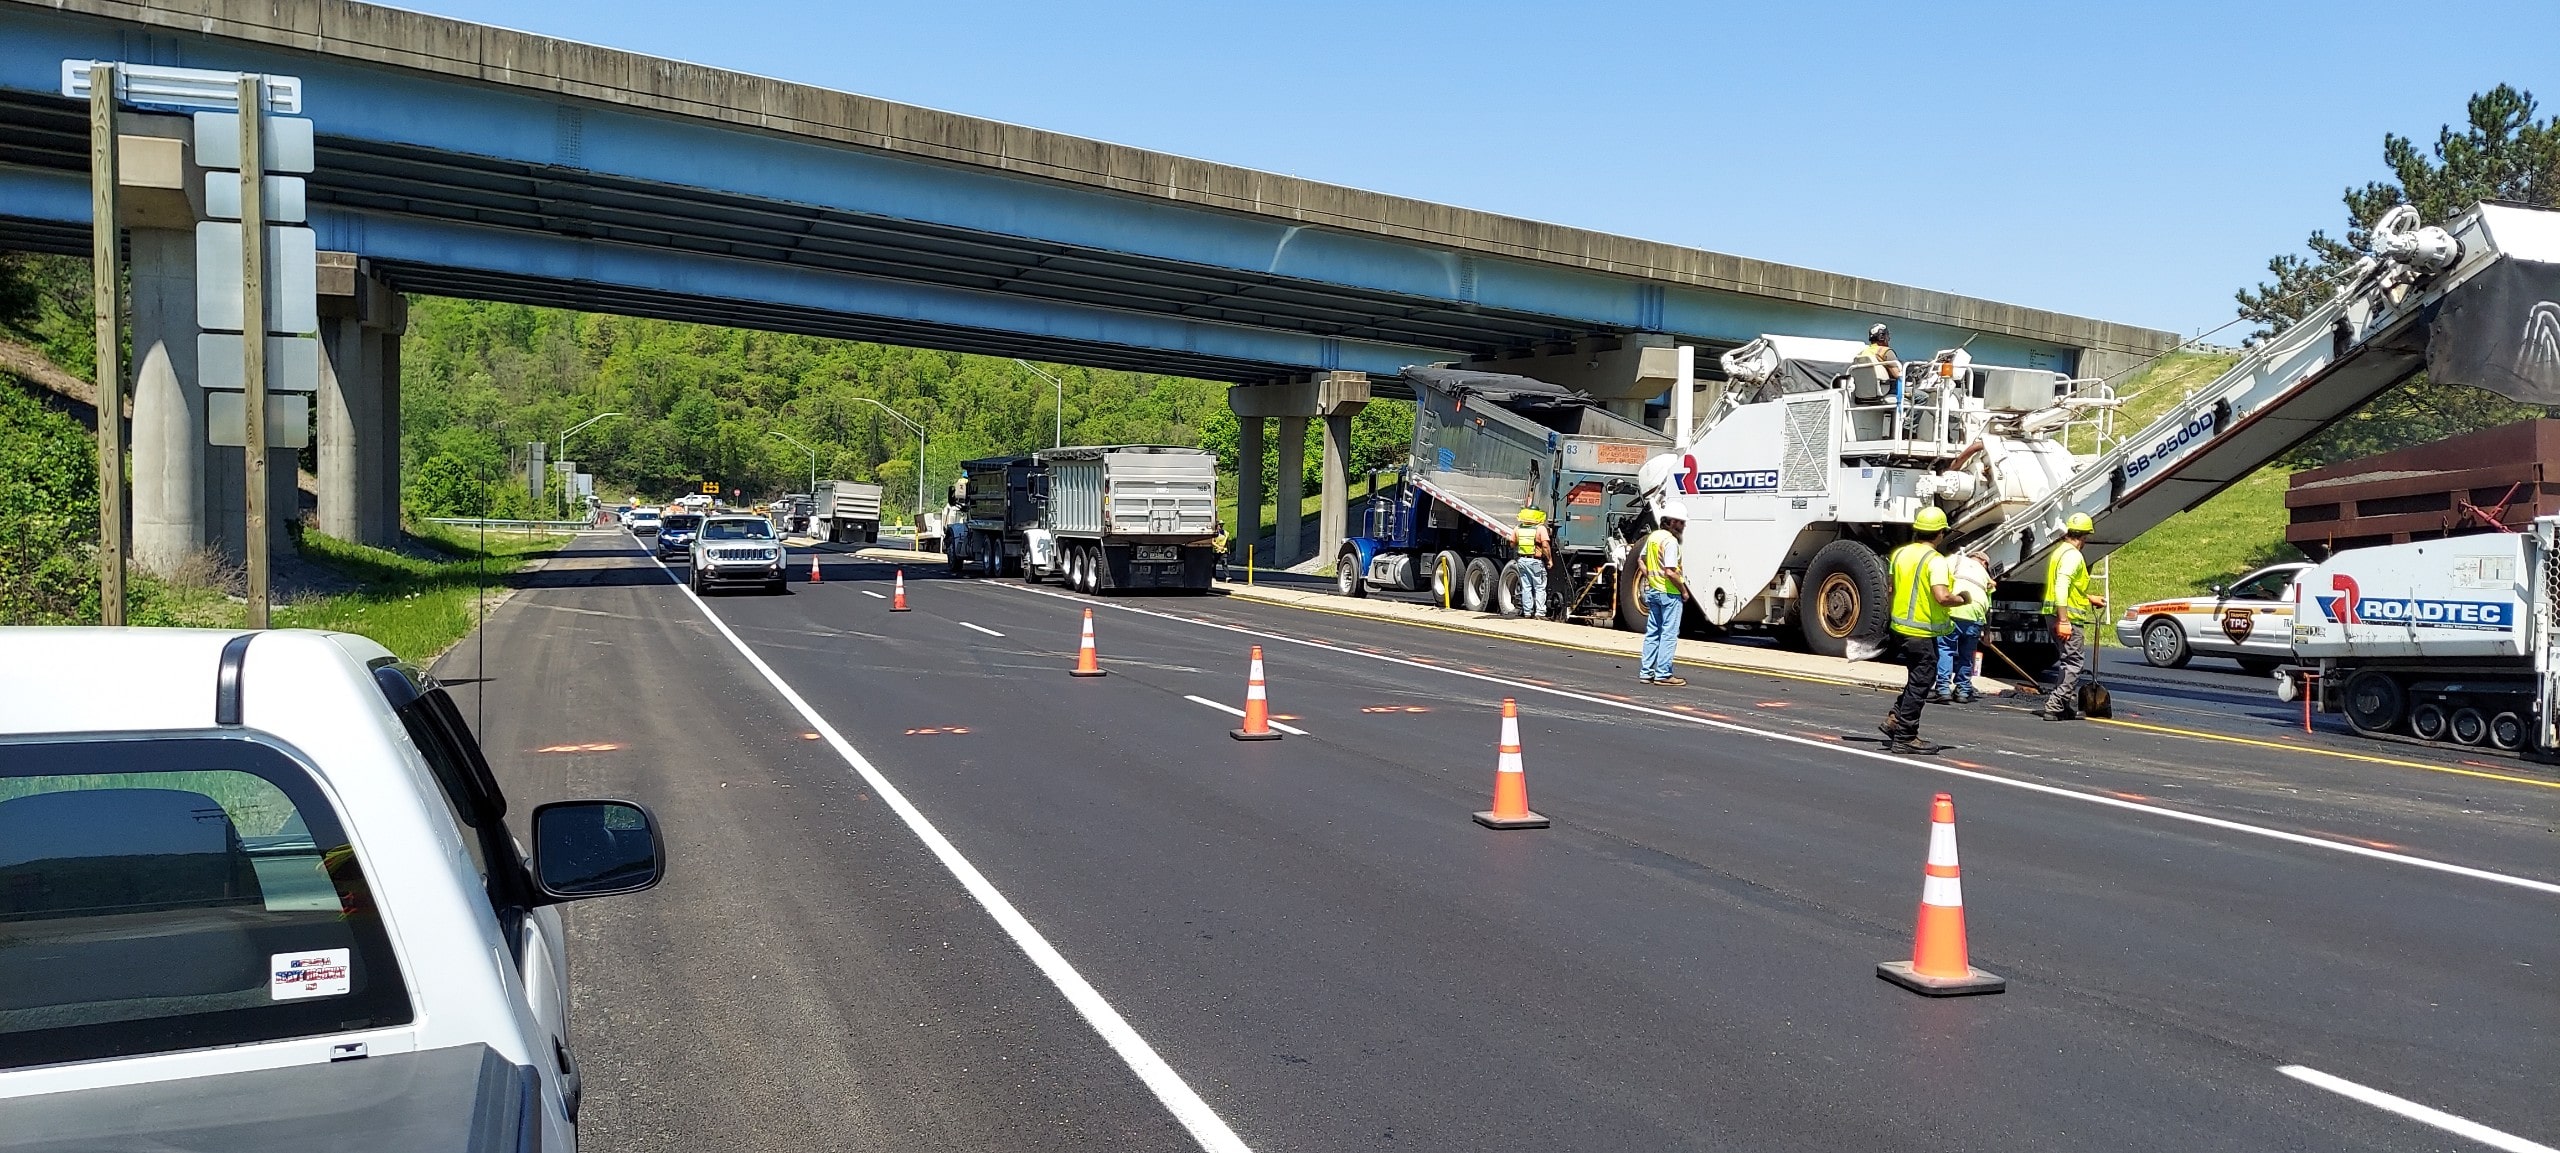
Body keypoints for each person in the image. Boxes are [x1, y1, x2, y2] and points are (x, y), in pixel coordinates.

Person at [1879, 506, 1973, 753]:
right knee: (1922, 681)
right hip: (1920, 631)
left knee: (1918, 677)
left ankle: (1896, 719)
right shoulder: (1935, 561)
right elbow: (1941, 596)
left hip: (1900, 628)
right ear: (1941, 533)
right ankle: (1905, 736)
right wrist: (1962, 599)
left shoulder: (1899, 555)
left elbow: (1890, 589)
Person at [2041, 513, 2107, 720]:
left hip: (2053, 614)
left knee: (2066, 661)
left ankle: (2064, 705)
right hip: (2067, 618)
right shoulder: (2073, 556)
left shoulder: (2060, 551)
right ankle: (2055, 705)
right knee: (2073, 662)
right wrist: (2064, 620)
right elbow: (2062, 586)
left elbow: (2070, 588)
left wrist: (2088, 598)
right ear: (2085, 536)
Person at [1638, 501, 1691, 686]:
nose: (1683, 526)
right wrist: (1683, 590)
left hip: (1654, 591)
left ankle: (1646, 672)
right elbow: (1670, 571)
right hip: (1669, 594)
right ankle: (1663, 674)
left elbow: (1641, 560)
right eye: (1681, 522)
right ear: (1671, 522)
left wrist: (1651, 578)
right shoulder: (1670, 541)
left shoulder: (1653, 537)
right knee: (1668, 633)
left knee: (1652, 632)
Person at [1936, 548, 1991, 702]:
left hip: (1955, 610)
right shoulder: (1986, 576)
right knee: (1967, 655)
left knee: (1946, 649)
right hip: (1976, 615)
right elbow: (1989, 609)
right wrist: (1987, 634)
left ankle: (1943, 689)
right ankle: (1963, 690)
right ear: (1984, 563)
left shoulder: (1956, 560)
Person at [1514, 507, 1552, 620]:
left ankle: (1527, 612)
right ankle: (1540, 613)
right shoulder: (1540, 529)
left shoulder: (1518, 528)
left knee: (1526, 587)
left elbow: (1512, 543)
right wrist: (1549, 560)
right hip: (1535, 561)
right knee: (1539, 587)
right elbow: (1545, 546)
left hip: (1522, 560)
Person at [1857, 322, 1905, 402]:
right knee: (1922, 397)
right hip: (1884, 390)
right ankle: (1907, 415)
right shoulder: (1885, 351)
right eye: (1887, 336)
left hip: (1864, 392)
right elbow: (1898, 375)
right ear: (1882, 337)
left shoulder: (1862, 353)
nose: (1888, 339)